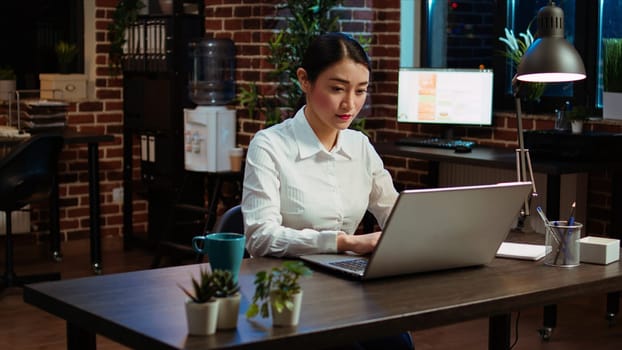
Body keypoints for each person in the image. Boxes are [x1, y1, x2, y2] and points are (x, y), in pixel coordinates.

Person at [241, 32, 413, 349]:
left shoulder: (359, 146)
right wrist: (343, 242)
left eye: (360, 91)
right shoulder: (269, 145)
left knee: (398, 345)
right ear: (305, 81)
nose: (350, 104)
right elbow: (259, 236)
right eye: (337, 89)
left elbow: (397, 214)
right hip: (287, 288)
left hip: (346, 284)